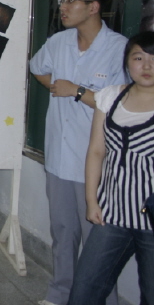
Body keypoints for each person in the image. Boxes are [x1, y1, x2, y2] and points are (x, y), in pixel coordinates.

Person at [30, 0, 127, 305]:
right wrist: (58, 87)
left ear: (94, 6)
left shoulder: (119, 49)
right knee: (63, 234)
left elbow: (124, 103)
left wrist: (77, 91)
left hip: (96, 163)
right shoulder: (58, 42)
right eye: (62, 0)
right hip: (58, 157)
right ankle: (60, 294)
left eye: (70, 0)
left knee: (98, 244)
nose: (63, 7)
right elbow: (38, 68)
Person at [68, 32, 154, 305]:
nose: (147, 66)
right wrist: (91, 201)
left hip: (151, 219)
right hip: (112, 214)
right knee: (84, 290)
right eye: (138, 58)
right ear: (127, 62)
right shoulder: (110, 97)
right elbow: (96, 151)